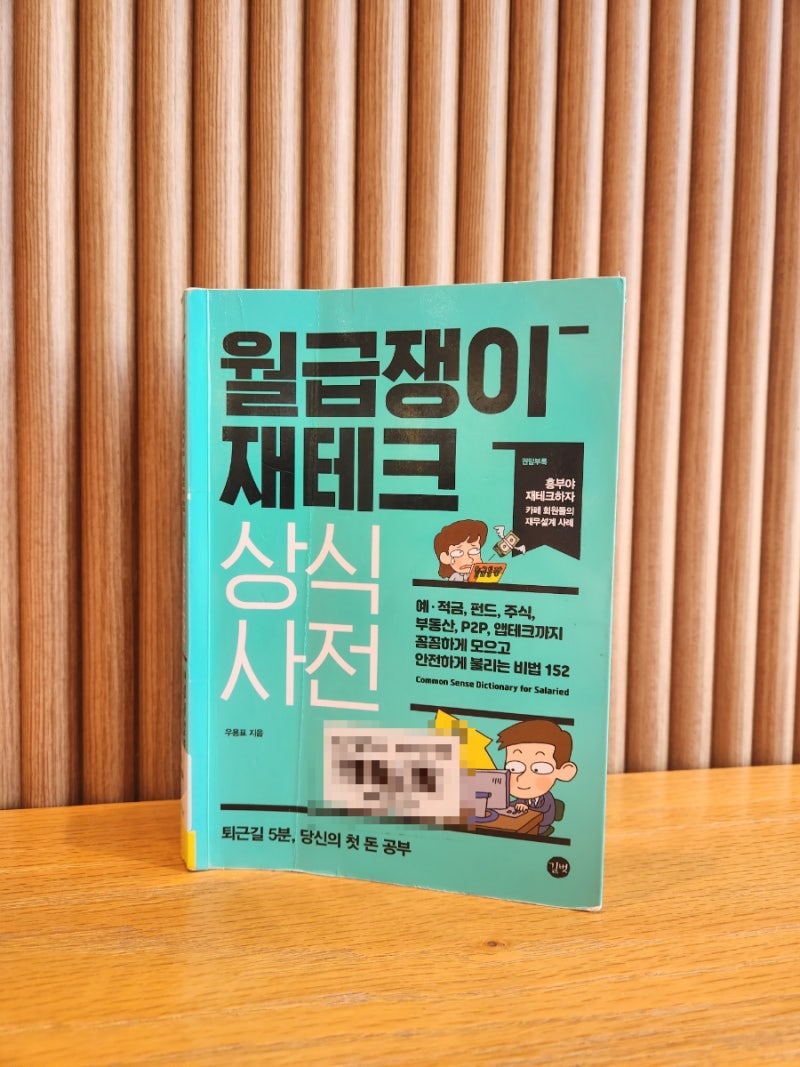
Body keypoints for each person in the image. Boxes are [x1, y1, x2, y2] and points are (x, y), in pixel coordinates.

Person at [496, 719, 577, 836]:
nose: (523, 778)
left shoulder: (547, 799)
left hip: (539, 829)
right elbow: (512, 806)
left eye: (539, 769)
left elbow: (546, 817)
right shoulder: (522, 798)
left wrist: (527, 811)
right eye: (514, 768)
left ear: (565, 772)